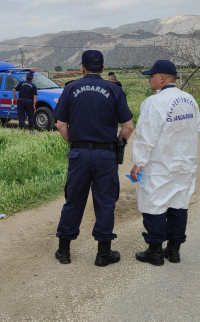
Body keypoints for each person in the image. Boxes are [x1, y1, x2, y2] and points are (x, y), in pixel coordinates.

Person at [54, 50, 134, 266]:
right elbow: (128, 126)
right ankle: (103, 253)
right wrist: (118, 144)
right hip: (105, 155)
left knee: (74, 200)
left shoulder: (70, 88)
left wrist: (75, 144)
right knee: (105, 202)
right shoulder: (114, 89)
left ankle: (64, 251)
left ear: (82, 67)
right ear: (102, 67)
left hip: (79, 154)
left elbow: (61, 124)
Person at [130, 60, 200, 266]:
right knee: (179, 205)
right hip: (184, 164)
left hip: (160, 164)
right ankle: (174, 250)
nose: (149, 80)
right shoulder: (189, 100)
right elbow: (195, 129)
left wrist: (138, 162)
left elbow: (145, 136)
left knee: (155, 205)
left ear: (162, 78)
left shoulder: (155, 103)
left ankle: (154, 252)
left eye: (151, 76)